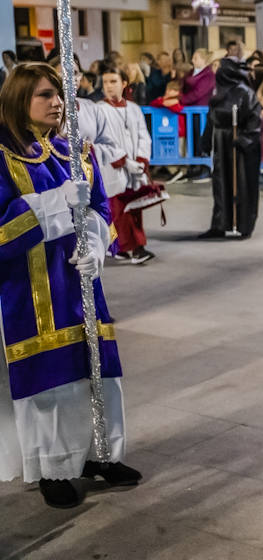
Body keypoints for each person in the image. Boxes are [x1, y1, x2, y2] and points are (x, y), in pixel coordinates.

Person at [0, 63, 140, 508]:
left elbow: (101, 210)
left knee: (96, 371)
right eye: (45, 94)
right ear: (20, 99)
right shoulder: (2, 155)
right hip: (32, 290)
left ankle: (101, 454)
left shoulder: (76, 150)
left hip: (83, 285)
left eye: (59, 93)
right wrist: (54, 202)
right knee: (52, 382)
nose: (57, 102)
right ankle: (55, 468)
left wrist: (96, 247)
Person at [198, 59, 262, 240]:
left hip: (239, 145)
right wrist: (206, 141)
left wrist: (244, 140)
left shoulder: (245, 93)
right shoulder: (218, 92)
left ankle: (244, 225)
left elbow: (255, 120)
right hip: (221, 142)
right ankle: (219, 224)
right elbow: (212, 119)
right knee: (221, 184)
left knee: (242, 184)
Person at [98, 64, 154, 265]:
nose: (109, 86)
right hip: (115, 169)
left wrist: (141, 159)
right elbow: (102, 141)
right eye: (105, 82)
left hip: (135, 169)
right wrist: (123, 161)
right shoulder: (99, 110)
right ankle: (136, 249)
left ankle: (123, 248)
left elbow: (143, 135)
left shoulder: (134, 109)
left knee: (135, 208)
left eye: (113, 82)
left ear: (124, 84)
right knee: (120, 210)